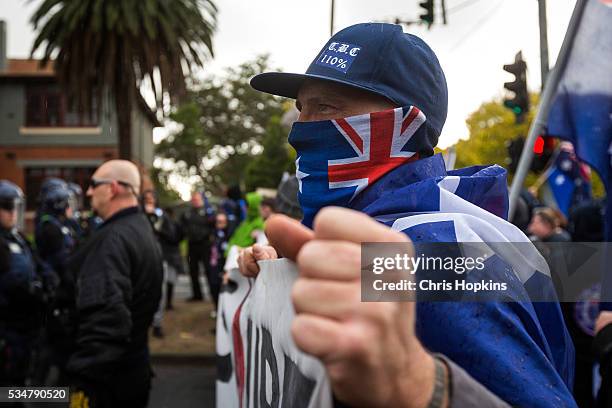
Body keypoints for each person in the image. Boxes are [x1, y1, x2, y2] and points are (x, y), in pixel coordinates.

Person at [240, 23, 575, 407]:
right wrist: (279, 278)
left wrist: (420, 387)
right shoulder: (391, 237)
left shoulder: (432, 255)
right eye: (303, 107)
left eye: (328, 107)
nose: (301, 129)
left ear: (406, 125)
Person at [66, 160, 162, 408]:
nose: (88, 192)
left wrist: (83, 379)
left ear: (114, 188)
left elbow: (107, 318)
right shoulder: (141, 228)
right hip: (131, 372)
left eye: (94, 185)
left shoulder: (112, 240)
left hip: (105, 384)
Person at [0, 181, 51, 399]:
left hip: (27, 324)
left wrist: (46, 282)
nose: (13, 213)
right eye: (6, 207)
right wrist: (30, 288)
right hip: (7, 326)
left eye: (15, 207)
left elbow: (38, 264)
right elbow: (12, 281)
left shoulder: (18, 237)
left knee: (21, 378)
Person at [181, 191, 215, 301]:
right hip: (192, 245)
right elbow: (182, 226)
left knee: (208, 270)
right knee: (193, 270)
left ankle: (213, 293)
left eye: (197, 199)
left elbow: (213, 226)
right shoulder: (188, 213)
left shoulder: (208, 211)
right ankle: (197, 295)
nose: (195, 201)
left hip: (205, 245)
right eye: (193, 199)